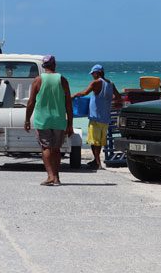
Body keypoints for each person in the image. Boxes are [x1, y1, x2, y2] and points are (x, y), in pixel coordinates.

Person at [25, 55, 72, 186]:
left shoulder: (38, 80)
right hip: (59, 119)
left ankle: (50, 176)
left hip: (43, 120)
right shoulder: (62, 80)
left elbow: (31, 102)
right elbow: (69, 104)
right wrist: (70, 124)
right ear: (54, 64)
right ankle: (56, 177)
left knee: (46, 147)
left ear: (43, 66)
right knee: (56, 149)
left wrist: (27, 120)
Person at [72, 64, 119, 170]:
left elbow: (84, 93)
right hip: (106, 117)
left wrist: (73, 95)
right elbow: (118, 97)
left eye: (93, 73)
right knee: (100, 142)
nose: (92, 76)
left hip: (95, 117)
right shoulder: (111, 83)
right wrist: (111, 102)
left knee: (94, 142)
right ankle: (95, 161)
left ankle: (98, 163)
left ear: (97, 73)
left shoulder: (96, 82)